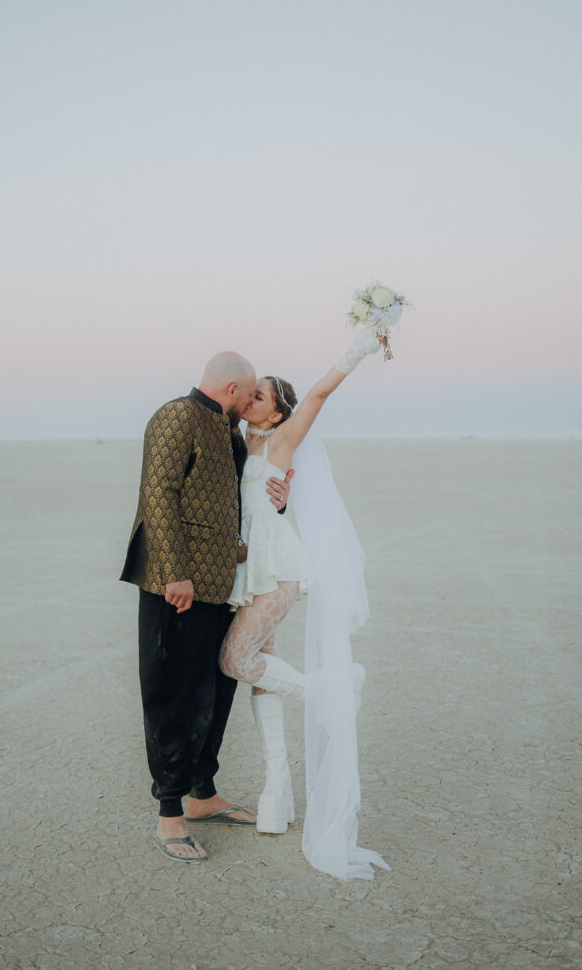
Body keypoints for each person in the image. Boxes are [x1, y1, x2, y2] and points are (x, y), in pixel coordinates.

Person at [218, 325, 390, 879]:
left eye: (260, 395)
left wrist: (360, 347)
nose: (250, 399)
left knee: (234, 660)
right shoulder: (242, 442)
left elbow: (317, 394)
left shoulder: (282, 440)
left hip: (279, 571)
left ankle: (337, 686)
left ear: (275, 413)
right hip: (252, 570)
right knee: (260, 674)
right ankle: (276, 793)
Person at [120, 352, 292, 863]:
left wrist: (281, 500)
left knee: (215, 693)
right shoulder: (176, 416)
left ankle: (203, 795)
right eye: (249, 393)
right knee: (173, 694)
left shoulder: (230, 432)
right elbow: (159, 494)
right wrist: (175, 571)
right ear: (234, 387)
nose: (249, 401)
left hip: (222, 585)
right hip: (175, 586)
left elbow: (247, 500)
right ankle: (169, 814)